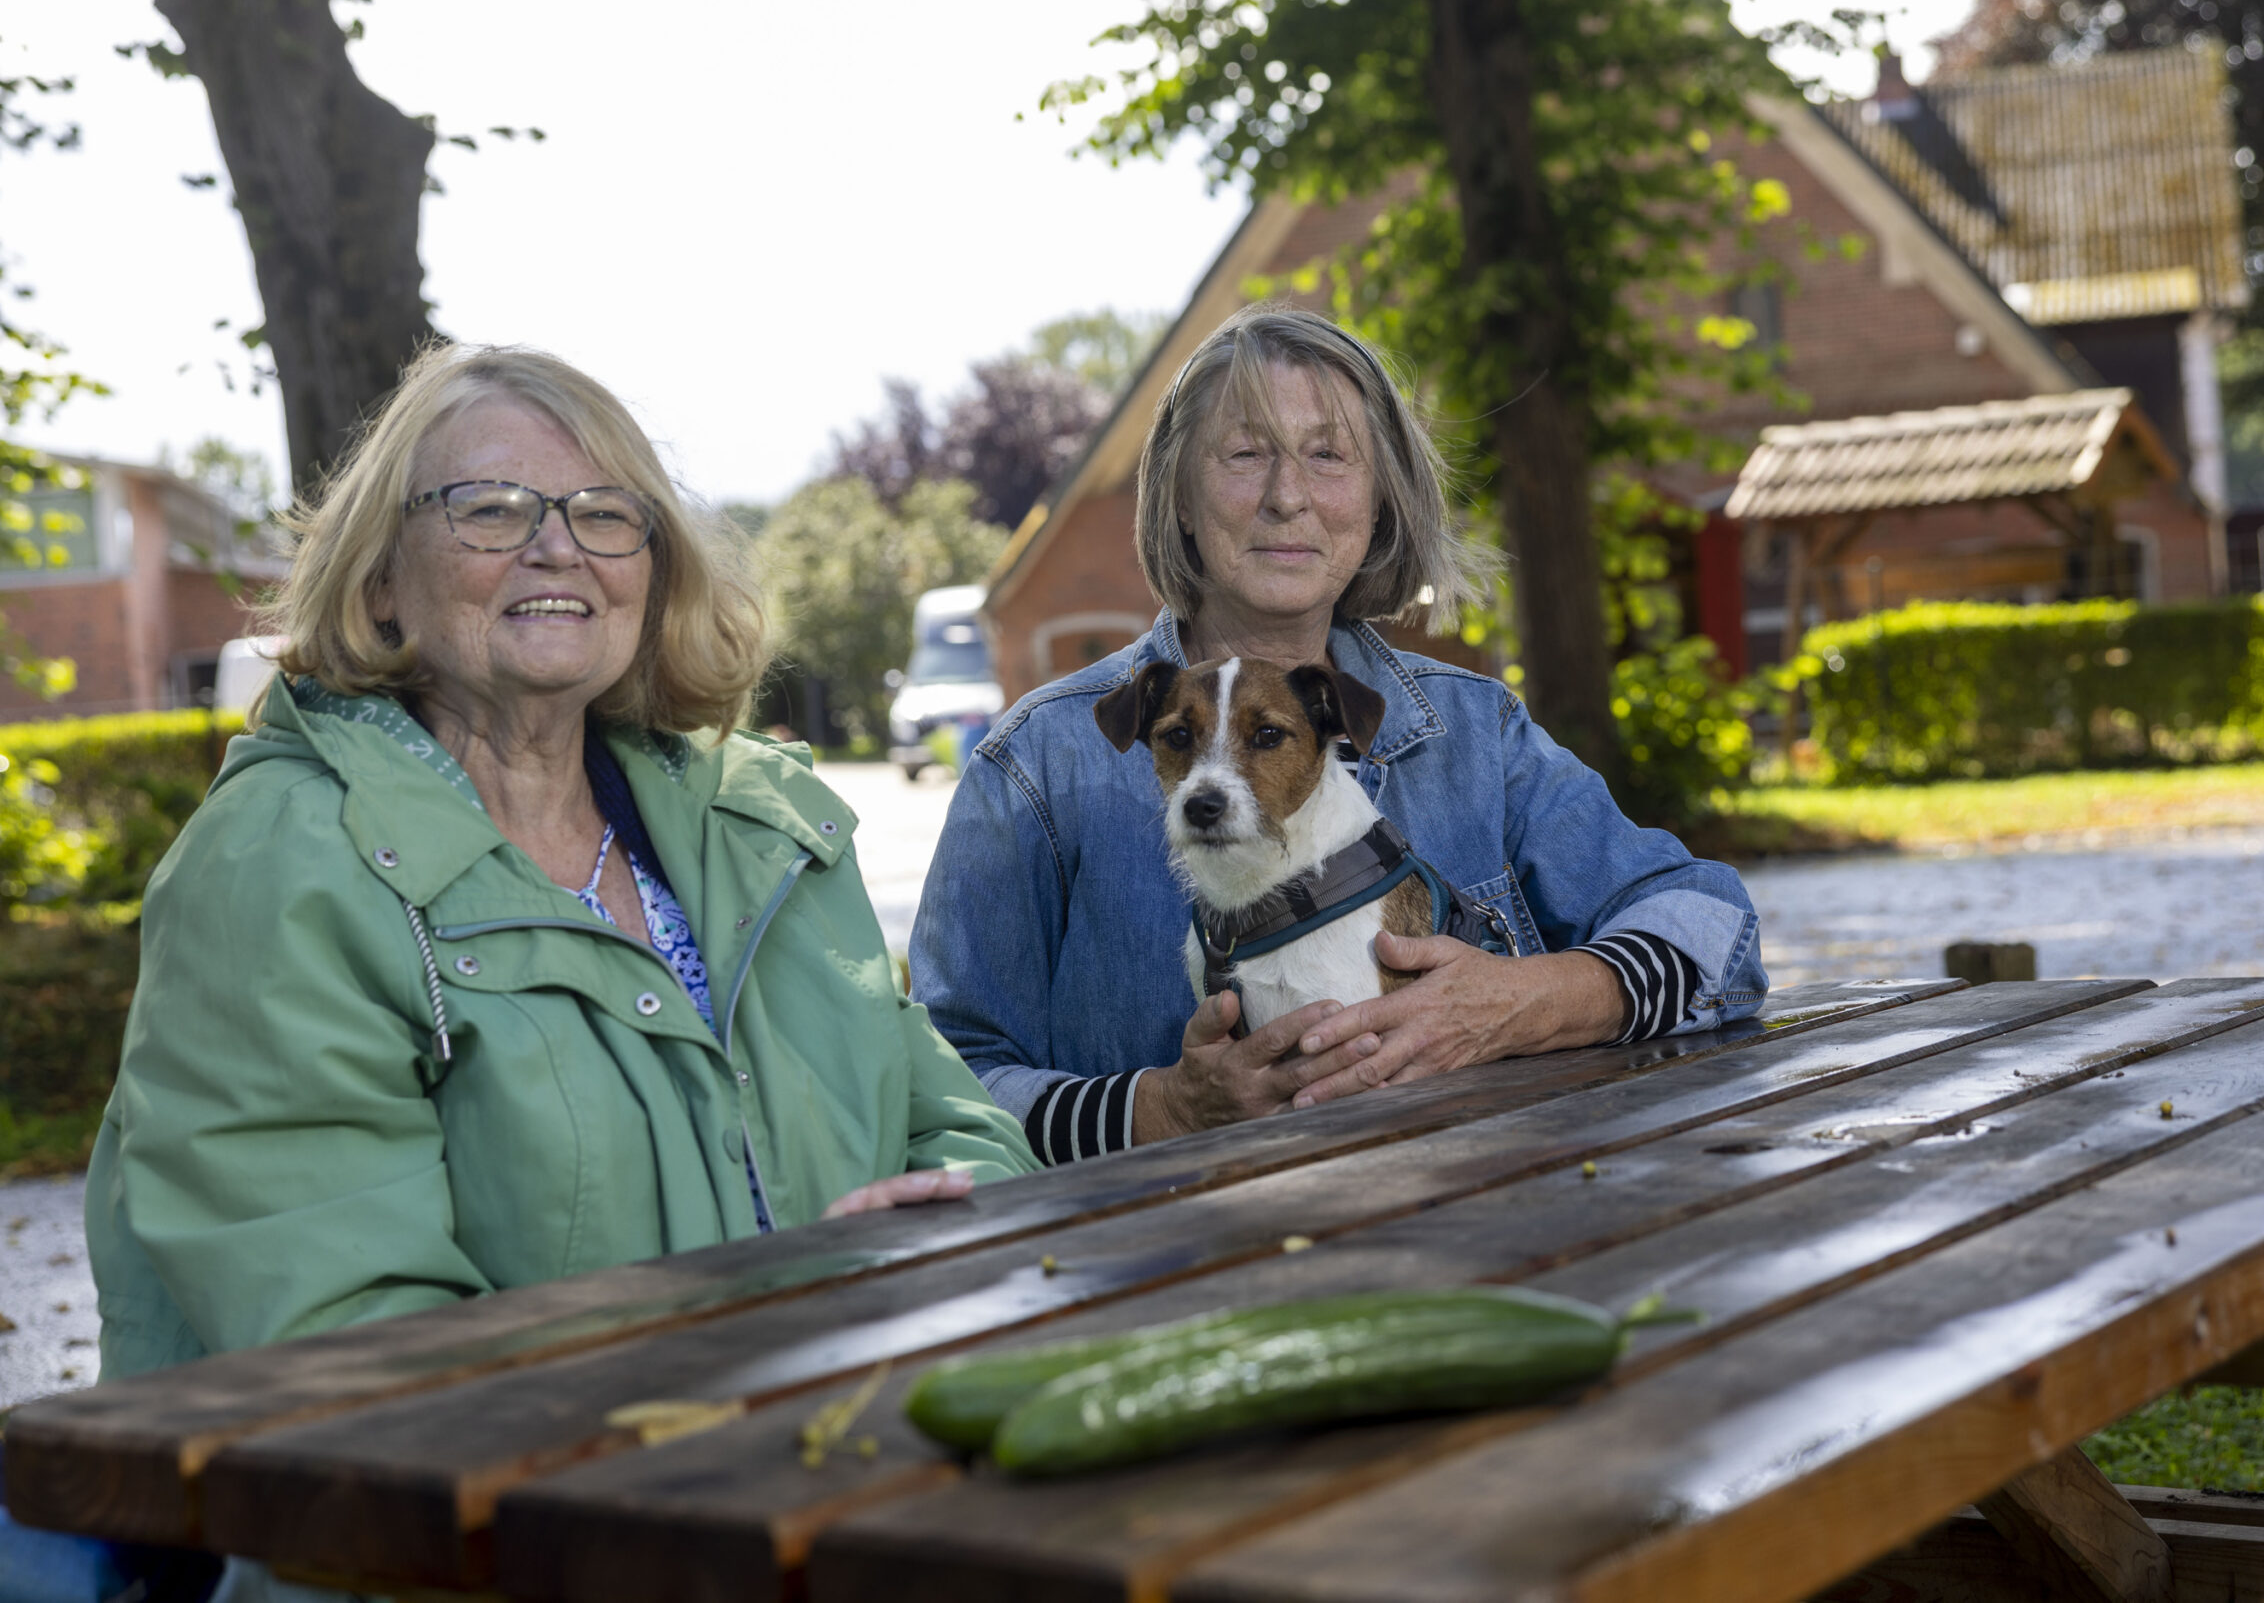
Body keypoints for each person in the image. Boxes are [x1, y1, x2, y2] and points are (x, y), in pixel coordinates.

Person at [86, 343, 1038, 1390]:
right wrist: (768, 1319)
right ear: (380, 579)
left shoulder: (759, 818)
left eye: (604, 512)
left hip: (849, 1446)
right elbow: (351, 1346)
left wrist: (937, 1230)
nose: (558, 547)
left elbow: (953, 1120)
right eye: (490, 509)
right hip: (498, 1529)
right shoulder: (279, 863)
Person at [911, 308, 1766, 1166]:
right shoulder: (1037, 765)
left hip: (1466, 1239)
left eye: (1329, 454)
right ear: (1176, 496)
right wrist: (1158, 1111)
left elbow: (1714, 929)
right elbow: (932, 1088)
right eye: (1245, 453)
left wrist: (1519, 1001)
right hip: (1163, 1275)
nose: (1289, 494)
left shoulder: (1475, 733)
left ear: (1379, 498)